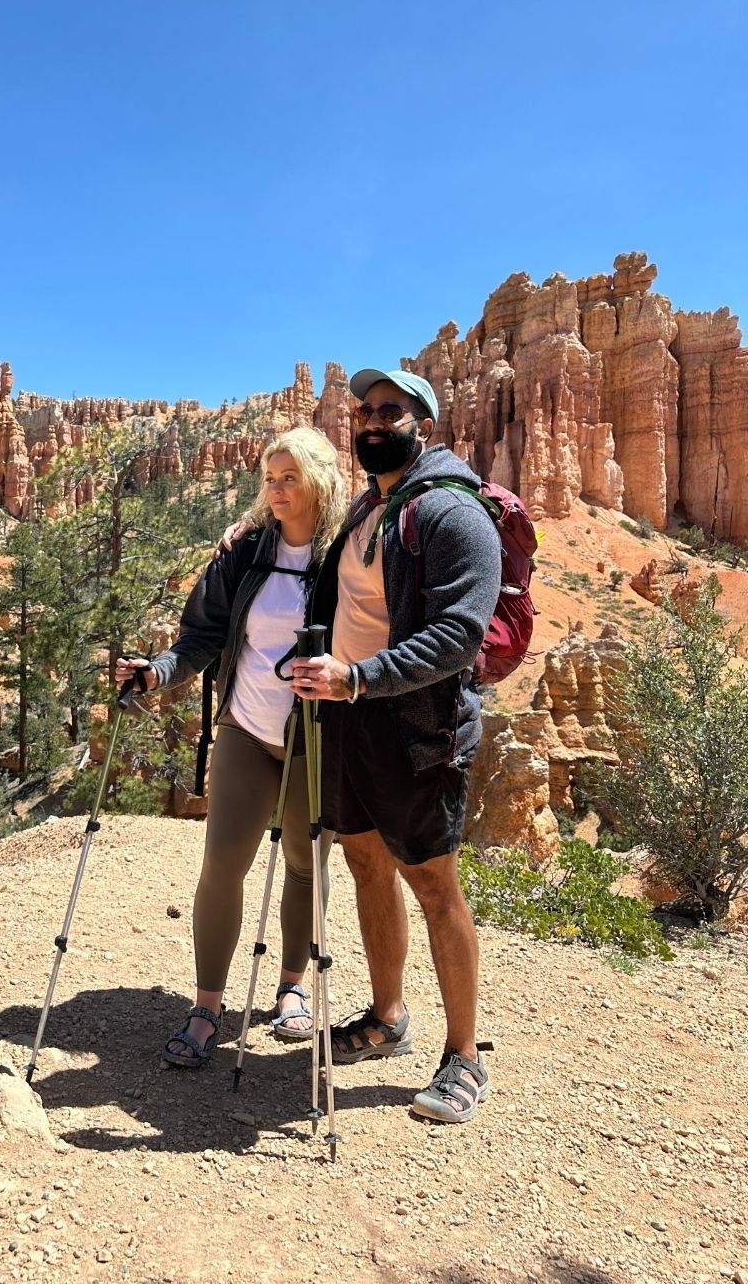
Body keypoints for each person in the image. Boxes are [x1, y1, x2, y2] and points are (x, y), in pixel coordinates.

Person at [285, 367, 502, 1123]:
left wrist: (358, 676)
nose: (372, 422)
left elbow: (456, 635)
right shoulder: (365, 512)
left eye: (390, 411)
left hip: (416, 726)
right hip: (348, 719)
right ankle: (386, 1018)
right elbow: (331, 594)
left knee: (434, 883)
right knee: (364, 861)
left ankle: (465, 1058)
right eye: (363, 412)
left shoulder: (450, 511)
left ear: (424, 424)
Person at [116, 427, 347, 1068]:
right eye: (269, 479)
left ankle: (293, 986)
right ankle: (207, 1006)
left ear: (319, 482)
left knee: (305, 864)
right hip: (246, 730)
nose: (274, 491)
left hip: (316, 740)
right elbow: (201, 635)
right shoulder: (244, 553)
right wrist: (159, 670)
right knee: (222, 862)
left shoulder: (347, 553)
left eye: (288, 479)